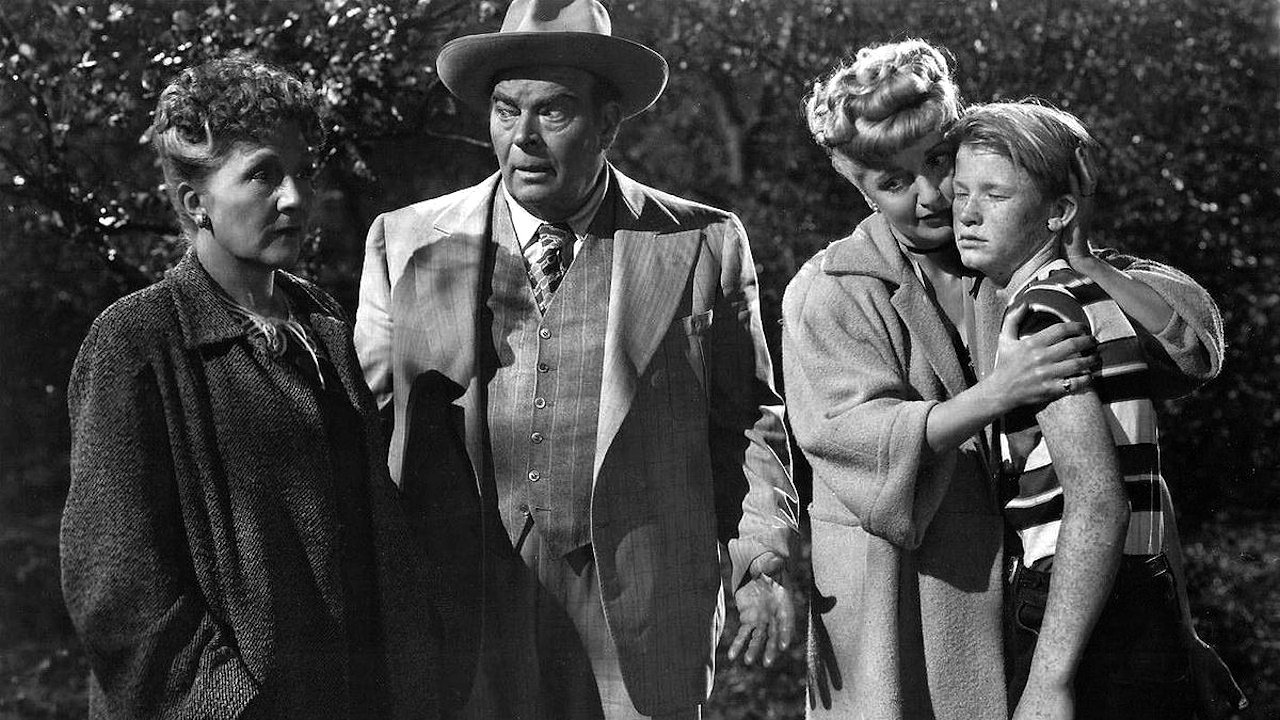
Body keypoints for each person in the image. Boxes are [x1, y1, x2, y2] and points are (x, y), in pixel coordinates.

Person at [353, 1, 800, 718]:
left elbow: (747, 424)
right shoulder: (404, 241)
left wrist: (762, 558)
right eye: (505, 111)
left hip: (640, 608)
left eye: (552, 112)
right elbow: (367, 429)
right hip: (462, 608)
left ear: (608, 124)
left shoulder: (702, 242)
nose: (522, 138)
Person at [784, 40, 1232, 719]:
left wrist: (1088, 261)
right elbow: (848, 438)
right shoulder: (831, 290)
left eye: (941, 162)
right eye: (894, 184)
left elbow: (1189, 353)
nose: (934, 196)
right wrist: (997, 393)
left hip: (1040, 598)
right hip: (903, 600)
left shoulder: (1024, 259)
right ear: (857, 186)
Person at [61, 57, 436, 720]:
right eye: (263, 174)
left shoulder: (320, 321)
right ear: (194, 203)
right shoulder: (137, 342)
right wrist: (232, 703)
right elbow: (117, 592)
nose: (294, 198)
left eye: (302, 172)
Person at [950, 99, 1244, 720]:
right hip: (1140, 590)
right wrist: (1179, 629)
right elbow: (1145, 482)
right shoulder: (1093, 297)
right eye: (961, 192)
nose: (967, 214)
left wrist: (1049, 681)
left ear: (1059, 211)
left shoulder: (1042, 312)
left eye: (995, 196)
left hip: (1074, 599)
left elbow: (1098, 500)